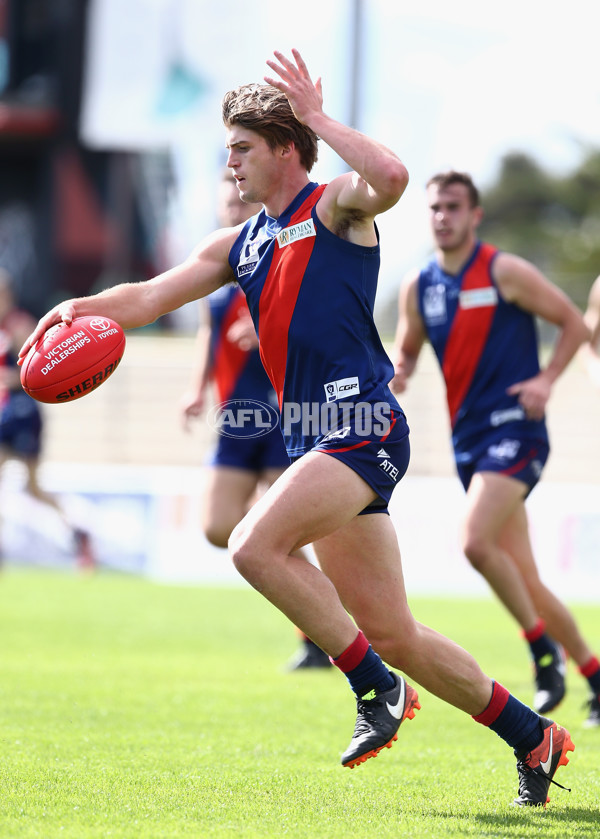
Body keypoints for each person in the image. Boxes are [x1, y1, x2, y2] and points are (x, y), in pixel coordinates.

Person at [19, 50, 575, 807]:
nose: (231, 164)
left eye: (242, 148)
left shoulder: (335, 207)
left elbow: (393, 179)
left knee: (252, 544)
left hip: (362, 425)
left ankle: (374, 690)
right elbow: (149, 296)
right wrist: (78, 310)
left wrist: (317, 117)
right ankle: (531, 734)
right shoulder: (241, 243)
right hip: (316, 438)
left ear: (284, 147)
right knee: (396, 632)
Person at [391, 170, 600, 728]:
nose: (443, 216)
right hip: (470, 443)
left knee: (475, 541)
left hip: (517, 430)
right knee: (526, 580)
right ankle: (596, 678)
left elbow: (575, 324)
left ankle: (542, 654)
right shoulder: (419, 286)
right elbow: (408, 350)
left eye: (454, 207)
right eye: (435, 207)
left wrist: (547, 380)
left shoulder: (504, 270)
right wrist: (400, 372)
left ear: (474, 215)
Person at [181, 169, 330, 670]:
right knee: (218, 525)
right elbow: (209, 333)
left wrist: (263, 329)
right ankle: (316, 606)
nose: (234, 212)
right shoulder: (216, 273)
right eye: (226, 208)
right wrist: (196, 388)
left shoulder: (279, 258)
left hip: (282, 413)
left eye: (239, 207)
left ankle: (320, 634)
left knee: (278, 532)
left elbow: (307, 319)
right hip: (235, 417)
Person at [0, 268, 94, 570]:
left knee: (34, 486)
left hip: (23, 412)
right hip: (7, 412)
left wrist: (7, 378)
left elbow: (34, 373)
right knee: (32, 488)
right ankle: (77, 531)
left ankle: (77, 532)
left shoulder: (19, 326)